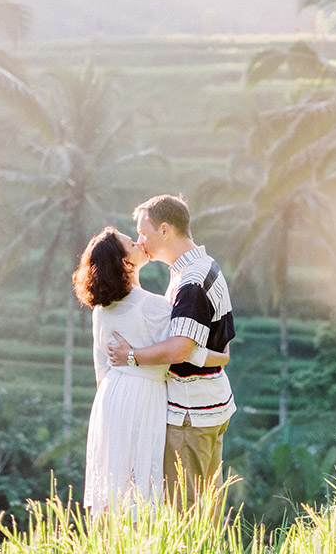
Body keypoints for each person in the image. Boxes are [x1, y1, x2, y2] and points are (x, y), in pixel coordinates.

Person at [73, 226, 228, 515]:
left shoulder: (101, 310)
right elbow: (186, 350)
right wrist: (221, 357)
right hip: (143, 397)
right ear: (126, 263)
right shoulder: (154, 306)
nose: (139, 242)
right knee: (140, 486)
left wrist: (111, 413)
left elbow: (101, 368)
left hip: (110, 398)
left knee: (114, 484)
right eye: (131, 242)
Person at [108, 194, 236, 505]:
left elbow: (180, 348)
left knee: (185, 512)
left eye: (143, 232)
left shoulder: (190, 281)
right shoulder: (206, 266)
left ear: (164, 230)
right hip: (213, 404)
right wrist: (218, 357)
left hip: (191, 412)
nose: (140, 241)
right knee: (207, 510)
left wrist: (131, 356)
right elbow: (222, 341)